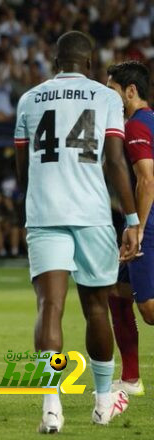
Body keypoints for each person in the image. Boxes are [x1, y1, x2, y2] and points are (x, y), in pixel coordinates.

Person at [14, 31, 139, 433]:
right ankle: (103, 402)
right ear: (90, 64)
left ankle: (51, 408)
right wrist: (132, 220)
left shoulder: (29, 99)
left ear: (54, 61)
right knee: (96, 308)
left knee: (49, 308)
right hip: (91, 214)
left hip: (45, 211)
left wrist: (35, 199)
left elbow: (22, 169)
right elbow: (116, 163)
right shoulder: (106, 97)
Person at [106, 60, 154, 397]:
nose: (110, 99)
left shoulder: (136, 125)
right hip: (138, 221)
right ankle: (131, 378)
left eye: (113, 92)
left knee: (149, 309)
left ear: (131, 91)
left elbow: (147, 180)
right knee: (117, 292)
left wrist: (137, 227)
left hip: (147, 222)